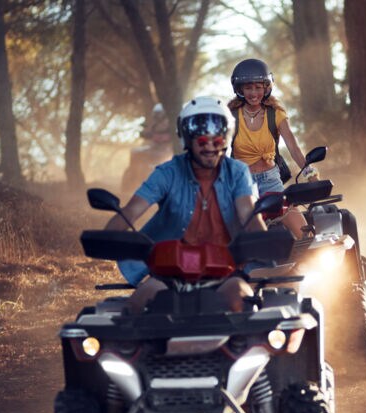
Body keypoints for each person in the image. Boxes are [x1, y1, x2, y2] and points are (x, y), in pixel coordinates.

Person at [106, 96, 266, 314]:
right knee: (136, 307)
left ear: (226, 139)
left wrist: (263, 240)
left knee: (244, 303)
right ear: (188, 140)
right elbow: (131, 212)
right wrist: (108, 236)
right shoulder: (167, 172)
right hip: (168, 272)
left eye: (217, 140)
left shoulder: (237, 172)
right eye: (202, 140)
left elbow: (248, 214)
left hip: (226, 271)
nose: (210, 146)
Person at [228, 58, 318, 236]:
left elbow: (293, 147)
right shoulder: (231, 117)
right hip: (242, 184)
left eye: (258, 87)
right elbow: (219, 152)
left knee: (304, 232)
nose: (253, 93)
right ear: (239, 89)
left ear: (266, 87)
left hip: (271, 181)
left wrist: (310, 173)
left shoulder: (275, 114)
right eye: (248, 87)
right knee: (238, 235)